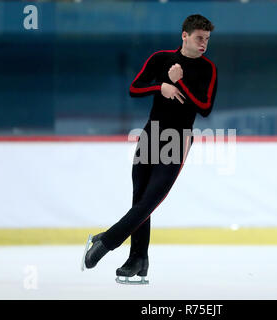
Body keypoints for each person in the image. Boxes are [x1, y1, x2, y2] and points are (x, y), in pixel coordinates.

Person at [82, 14, 218, 284]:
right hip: (151, 134)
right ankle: (138, 261)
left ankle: (106, 241)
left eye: (207, 39)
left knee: (151, 199)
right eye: (199, 38)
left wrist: (180, 83)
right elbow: (135, 88)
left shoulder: (208, 69)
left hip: (178, 139)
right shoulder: (160, 59)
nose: (204, 43)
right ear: (185, 35)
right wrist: (163, 86)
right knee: (140, 198)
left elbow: (204, 108)